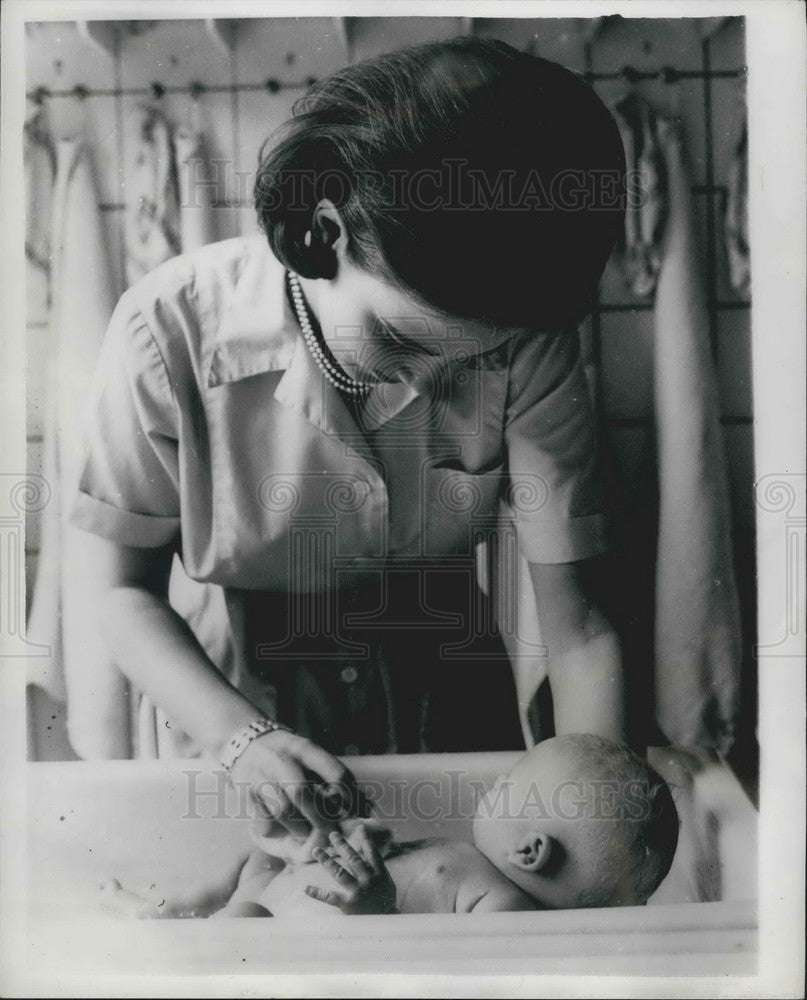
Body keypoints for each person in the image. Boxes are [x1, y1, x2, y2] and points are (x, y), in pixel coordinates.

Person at [67, 37, 628, 843]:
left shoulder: (528, 336)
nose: (428, 387)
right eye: (403, 342)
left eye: (478, 355)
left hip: (444, 652)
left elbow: (578, 626)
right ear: (320, 235)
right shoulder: (167, 329)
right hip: (233, 680)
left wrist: (595, 821)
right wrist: (240, 737)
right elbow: (118, 592)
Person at [100, 735, 679, 917]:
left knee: (244, 912)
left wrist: (375, 911)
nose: (494, 785)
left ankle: (180, 925)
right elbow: (409, 870)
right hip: (294, 900)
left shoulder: (503, 910)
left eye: (509, 786)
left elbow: (437, 975)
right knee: (257, 864)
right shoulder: (472, 858)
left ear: (531, 849)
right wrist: (362, 839)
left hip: (298, 937)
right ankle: (175, 909)